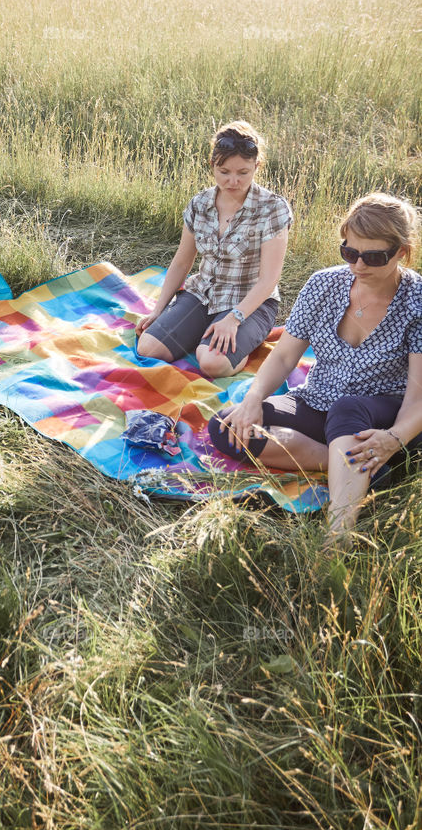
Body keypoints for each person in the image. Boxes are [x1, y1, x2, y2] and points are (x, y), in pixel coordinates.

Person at [209, 193, 422, 541]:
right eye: (350, 252)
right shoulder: (323, 284)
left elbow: (418, 397)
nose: (359, 265)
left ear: (402, 252)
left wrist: (394, 439)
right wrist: (253, 398)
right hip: (318, 399)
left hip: (386, 413)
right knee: (227, 425)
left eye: (373, 256)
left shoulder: (418, 302)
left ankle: (337, 537)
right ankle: (356, 466)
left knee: (348, 407)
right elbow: (282, 357)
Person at [136, 121, 292, 379]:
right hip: (203, 293)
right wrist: (158, 309)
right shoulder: (200, 204)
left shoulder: (272, 208)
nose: (233, 181)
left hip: (251, 301)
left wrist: (234, 318)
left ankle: (237, 342)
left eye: (243, 172)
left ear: (257, 166)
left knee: (211, 364)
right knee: (149, 348)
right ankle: (203, 329)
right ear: (213, 167)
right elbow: (181, 263)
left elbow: (269, 279)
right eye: (224, 172)